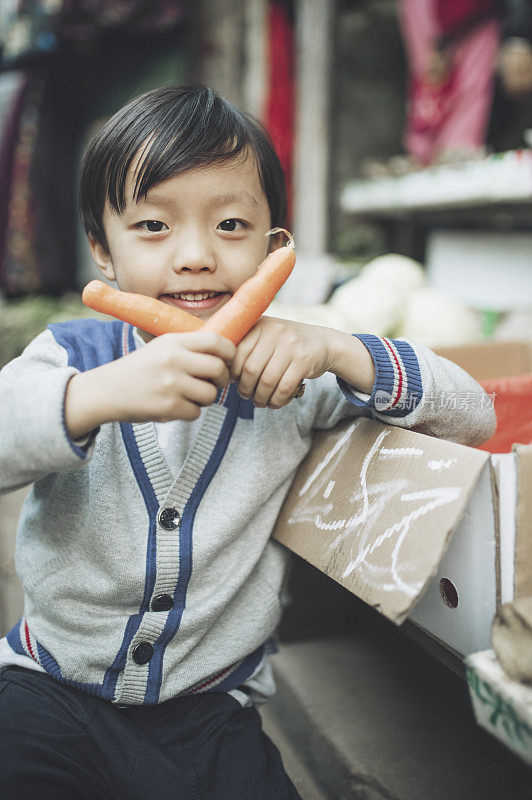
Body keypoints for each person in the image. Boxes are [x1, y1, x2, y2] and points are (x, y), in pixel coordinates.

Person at [0, 85, 496, 799]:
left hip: (208, 713)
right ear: (101, 251)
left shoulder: (291, 371)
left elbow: (471, 414)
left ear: (273, 246)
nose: (197, 255)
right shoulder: (74, 357)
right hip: (51, 692)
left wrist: (338, 350)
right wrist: (95, 397)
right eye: (152, 227)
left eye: (231, 224)